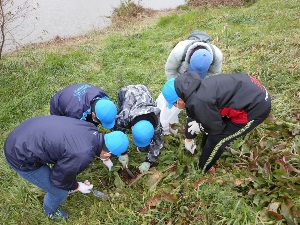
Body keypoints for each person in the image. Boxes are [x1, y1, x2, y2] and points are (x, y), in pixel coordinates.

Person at [3, 115, 129, 221]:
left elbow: (72, 151)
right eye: (109, 157)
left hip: (24, 133)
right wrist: (77, 186)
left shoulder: (91, 129)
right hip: (19, 155)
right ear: (107, 153)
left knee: (67, 169)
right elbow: (58, 179)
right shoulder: (82, 154)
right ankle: (51, 212)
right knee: (59, 191)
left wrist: (103, 158)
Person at [161, 72, 271, 174]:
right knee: (208, 122)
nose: (175, 107)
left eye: (174, 104)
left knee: (218, 139)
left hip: (255, 108)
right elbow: (193, 113)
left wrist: (201, 127)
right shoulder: (191, 88)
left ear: (180, 100)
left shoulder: (200, 102)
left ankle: (204, 168)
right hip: (249, 89)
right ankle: (205, 149)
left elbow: (216, 129)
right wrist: (188, 139)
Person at [158, 33, 223, 151]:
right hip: (179, 76)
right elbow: (170, 69)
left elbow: (213, 76)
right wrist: (177, 88)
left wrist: (197, 92)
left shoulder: (217, 57)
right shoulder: (179, 52)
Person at [113, 85, 164, 173]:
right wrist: (122, 151)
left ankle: (143, 146)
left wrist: (149, 161)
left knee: (146, 145)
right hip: (127, 93)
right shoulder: (124, 117)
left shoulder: (157, 125)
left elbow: (158, 143)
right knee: (120, 125)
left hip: (143, 90)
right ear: (132, 128)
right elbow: (116, 131)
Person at [50, 83, 117, 129]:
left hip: (72, 94)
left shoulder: (102, 95)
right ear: (93, 115)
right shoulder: (76, 114)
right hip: (57, 105)